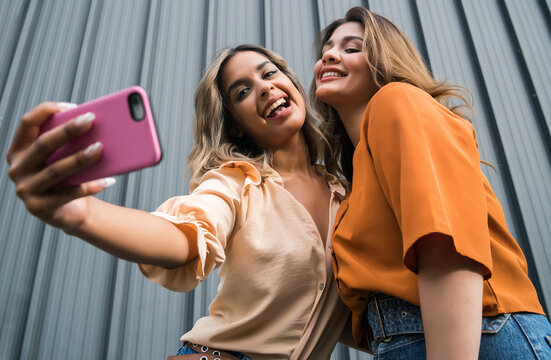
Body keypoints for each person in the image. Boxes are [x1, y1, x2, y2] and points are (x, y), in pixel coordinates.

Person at [6, 44, 353, 360]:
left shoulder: (347, 197)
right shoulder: (237, 182)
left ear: (291, 82)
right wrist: (82, 214)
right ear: (236, 126)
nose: (265, 88)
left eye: (269, 73)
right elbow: (185, 236)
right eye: (243, 91)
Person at [310, 6, 551, 360]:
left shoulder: (397, 99)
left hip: (485, 336)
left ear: (384, 59)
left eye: (352, 47)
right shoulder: (357, 181)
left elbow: (447, 248)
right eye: (326, 50)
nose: (328, 54)